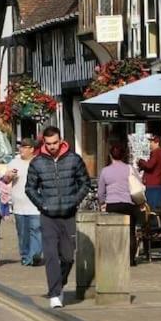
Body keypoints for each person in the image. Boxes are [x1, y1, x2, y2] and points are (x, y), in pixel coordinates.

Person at [26, 126, 91, 309]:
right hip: (48, 215)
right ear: (44, 143)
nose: (52, 146)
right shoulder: (37, 162)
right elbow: (30, 188)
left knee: (69, 257)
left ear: (61, 140)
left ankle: (59, 282)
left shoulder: (73, 159)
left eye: (55, 143)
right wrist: (42, 204)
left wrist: (74, 201)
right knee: (51, 255)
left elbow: (85, 183)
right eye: (48, 144)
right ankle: (55, 293)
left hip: (68, 214)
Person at [97, 140, 139, 267]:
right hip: (128, 203)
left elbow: (100, 192)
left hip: (112, 204)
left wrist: (102, 202)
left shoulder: (105, 171)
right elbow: (139, 183)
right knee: (130, 232)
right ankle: (131, 259)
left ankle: (114, 257)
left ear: (110, 155)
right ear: (124, 155)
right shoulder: (130, 169)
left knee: (113, 232)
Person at [7, 138, 42, 266]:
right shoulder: (14, 162)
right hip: (19, 205)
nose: (21, 149)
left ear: (32, 149)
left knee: (36, 230)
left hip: (35, 205)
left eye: (24, 147)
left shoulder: (39, 162)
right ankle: (25, 255)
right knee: (23, 233)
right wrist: (9, 176)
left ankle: (34, 256)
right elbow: (5, 180)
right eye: (21, 146)